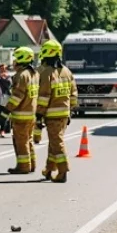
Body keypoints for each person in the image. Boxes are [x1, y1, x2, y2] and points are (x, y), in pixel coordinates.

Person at [36, 40, 78, 183]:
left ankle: (63, 171)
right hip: (64, 114)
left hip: (52, 115)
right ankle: (49, 169)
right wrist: (70, 111)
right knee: (54, 142)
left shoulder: (47, 73)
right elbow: (73, 94)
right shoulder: (67, 71)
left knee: (57, 143)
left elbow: (44, 96)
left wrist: (39, 114)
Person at [1, 47, 39, 174]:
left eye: (16, 59)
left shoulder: (21, 75)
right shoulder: (34, 74)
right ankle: (32, 164)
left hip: (21, 115)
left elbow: (17, 97)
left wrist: (6, 111)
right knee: (28, 140)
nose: (14, 62)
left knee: (21, 142)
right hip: (31, 114)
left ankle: (23, 166)